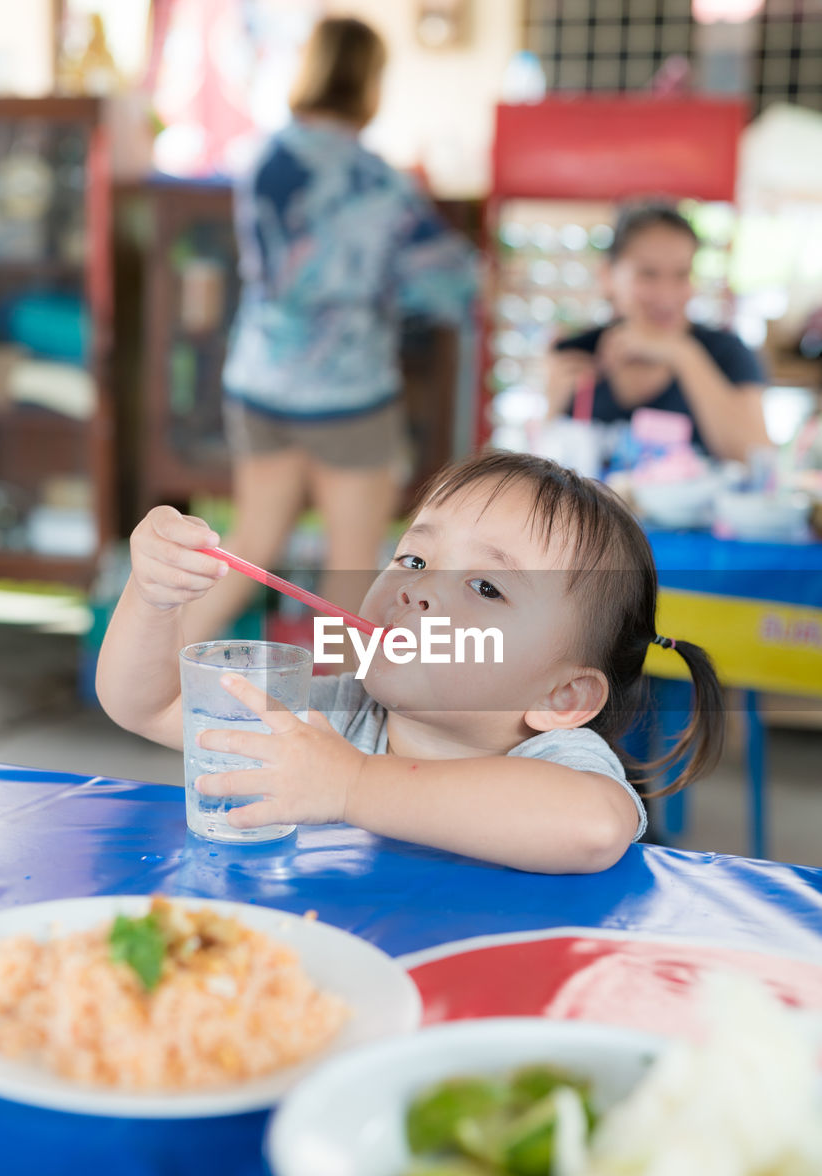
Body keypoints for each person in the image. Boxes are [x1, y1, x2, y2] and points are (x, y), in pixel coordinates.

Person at [96, 451, 725, 874]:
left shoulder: (557, 761)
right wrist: (151, 596)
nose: (416, 589)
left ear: (562, 700)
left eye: (486, 588)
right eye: (416, 560)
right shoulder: (334, 719)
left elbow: (592, 824)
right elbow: (152, 705)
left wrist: (351, 786)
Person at [182, 16, 477, 643]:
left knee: (252, 545)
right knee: (349, 568)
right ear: (371, 81)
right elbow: (452, 286)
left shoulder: (263, 157)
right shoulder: (378, 183)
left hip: (260, 381)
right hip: (347, 395)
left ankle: (158, 668)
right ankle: (335, 727)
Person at [545, 202, 768, 463]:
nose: (667, 294)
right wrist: (550, 408)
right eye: (648, 274)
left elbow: (758, 459)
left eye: (682, 274)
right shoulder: (574, 354)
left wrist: (682, 353)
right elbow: (547, 469)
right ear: (608, 276)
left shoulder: (728, 354)